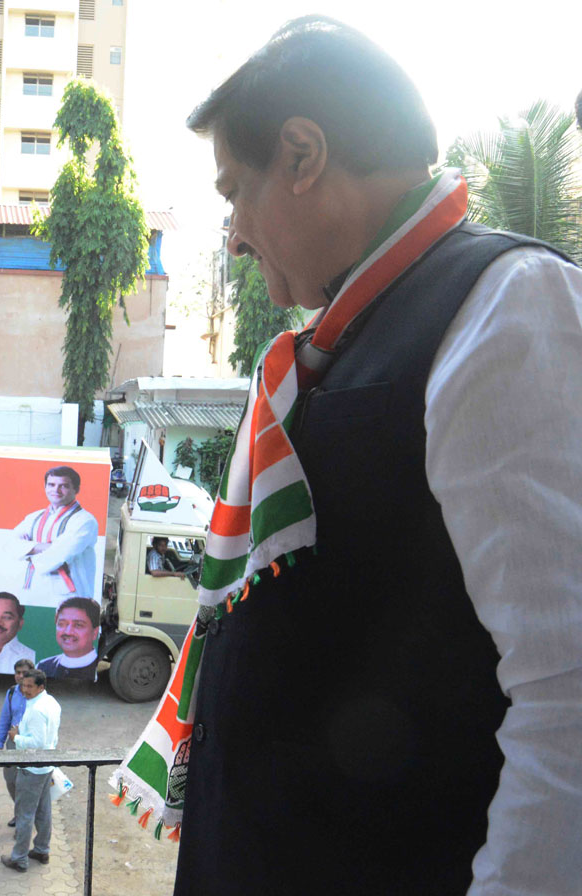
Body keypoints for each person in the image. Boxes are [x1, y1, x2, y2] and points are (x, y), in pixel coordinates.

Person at [162, 16, 582, 896]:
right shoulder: (345, 341)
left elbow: (567, 690)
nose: (235, 233)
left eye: (235, 190)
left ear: (304, 155)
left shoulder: (505, 308)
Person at [0, 669, 61, 873]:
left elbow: (38, 742)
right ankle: (42, 849)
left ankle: (19, 858)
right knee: (43, 810)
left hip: (32, 768)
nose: (25, 690)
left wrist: (16, 737)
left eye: (29, 686)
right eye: (23, 686)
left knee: (25, 814)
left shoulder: (37, 709)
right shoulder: (51, 702)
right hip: (45, 767)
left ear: (41, 687)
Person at [12, 466, 99, 604]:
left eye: (63, 486)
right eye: (51, 485)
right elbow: (10, 546)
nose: (56, 490)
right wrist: (46, 546)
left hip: (70, 595)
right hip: (33, 589)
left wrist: (28, 549)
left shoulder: (85, 520)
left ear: (76, 489)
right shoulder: (34, 517)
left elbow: (60, 554)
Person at [0, 658, 36, 825]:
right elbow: (5, 718)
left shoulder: (37, 694)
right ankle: (20, 812)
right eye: (17, 672)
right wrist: (0, 744)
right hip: (13, 744)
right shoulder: (12, 692)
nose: (20, 676)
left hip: (30, 745)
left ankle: (25, 819)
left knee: (27, 784)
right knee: (11, 780)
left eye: (24, 673)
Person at [37, 598, 101, 682]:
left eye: (78, 625)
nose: (68, 632)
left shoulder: (96, 669)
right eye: (62, 624)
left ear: (95, 632)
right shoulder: (43, 666)